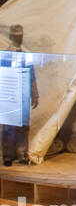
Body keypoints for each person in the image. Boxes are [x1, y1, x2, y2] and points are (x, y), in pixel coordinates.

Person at [1, 24, 38, 166]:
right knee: (8, 127)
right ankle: (8, 155)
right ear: (11, 36)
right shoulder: (4, 55)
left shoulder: (25, 55)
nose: (19, 38)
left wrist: (35, 94)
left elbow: (32, 75)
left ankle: (21, 153)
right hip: (9, 95)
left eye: (20, 36)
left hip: (22, 95)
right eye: (16, 36)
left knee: (23, 126)